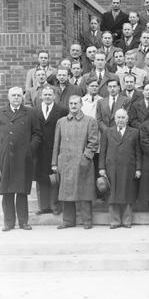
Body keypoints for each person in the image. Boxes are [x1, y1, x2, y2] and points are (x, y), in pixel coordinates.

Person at [51, 95, 99, 229]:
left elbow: (93, 143)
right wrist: (54, 162)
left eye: (76, 103)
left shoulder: (90, 121)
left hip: (82, 162)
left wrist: (85, 158)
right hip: (65, 162)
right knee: (66, 192)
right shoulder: (61, 122)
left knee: (84, 192)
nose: (73, 106)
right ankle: (68, 221)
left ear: (81, 105)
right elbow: (56, 143)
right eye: (71, 103)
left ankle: (87, 221)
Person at [0, 87, 42, 231]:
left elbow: (37, 134)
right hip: (5, 156)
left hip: (23, 157)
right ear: (8, 97)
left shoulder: (30, 112)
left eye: (19, 95)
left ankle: (23, 222)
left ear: (22, 98)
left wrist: (30, 149)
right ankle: (9, 222)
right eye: (14, 95)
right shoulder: (2, 112)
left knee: (22, 190)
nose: (16, 98)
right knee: (7, 191)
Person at [98, 109, 141, 228]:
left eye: (123, 118)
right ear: (115, 119)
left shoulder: (135, 132)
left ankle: (127, 221)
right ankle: (115, 221)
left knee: (128, 193)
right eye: (118, 117)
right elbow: (103, 151)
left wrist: (138, 168)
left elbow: (138, 152)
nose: (121, 120)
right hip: (112, 167)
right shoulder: (107, 132)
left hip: (129, 167)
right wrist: (101, 167)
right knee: (113, 194)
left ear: (127, 119)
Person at [33, 86, 68, 216]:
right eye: (45, 94)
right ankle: (43, 206)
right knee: (41, 179)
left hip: (56, 149)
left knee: (55, 179)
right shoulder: (35, 111)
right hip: (40, 151)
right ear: (41, 96)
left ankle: (55, 205)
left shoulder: (62, 111)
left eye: (50, 94)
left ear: (54, 96)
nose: (47, 97)